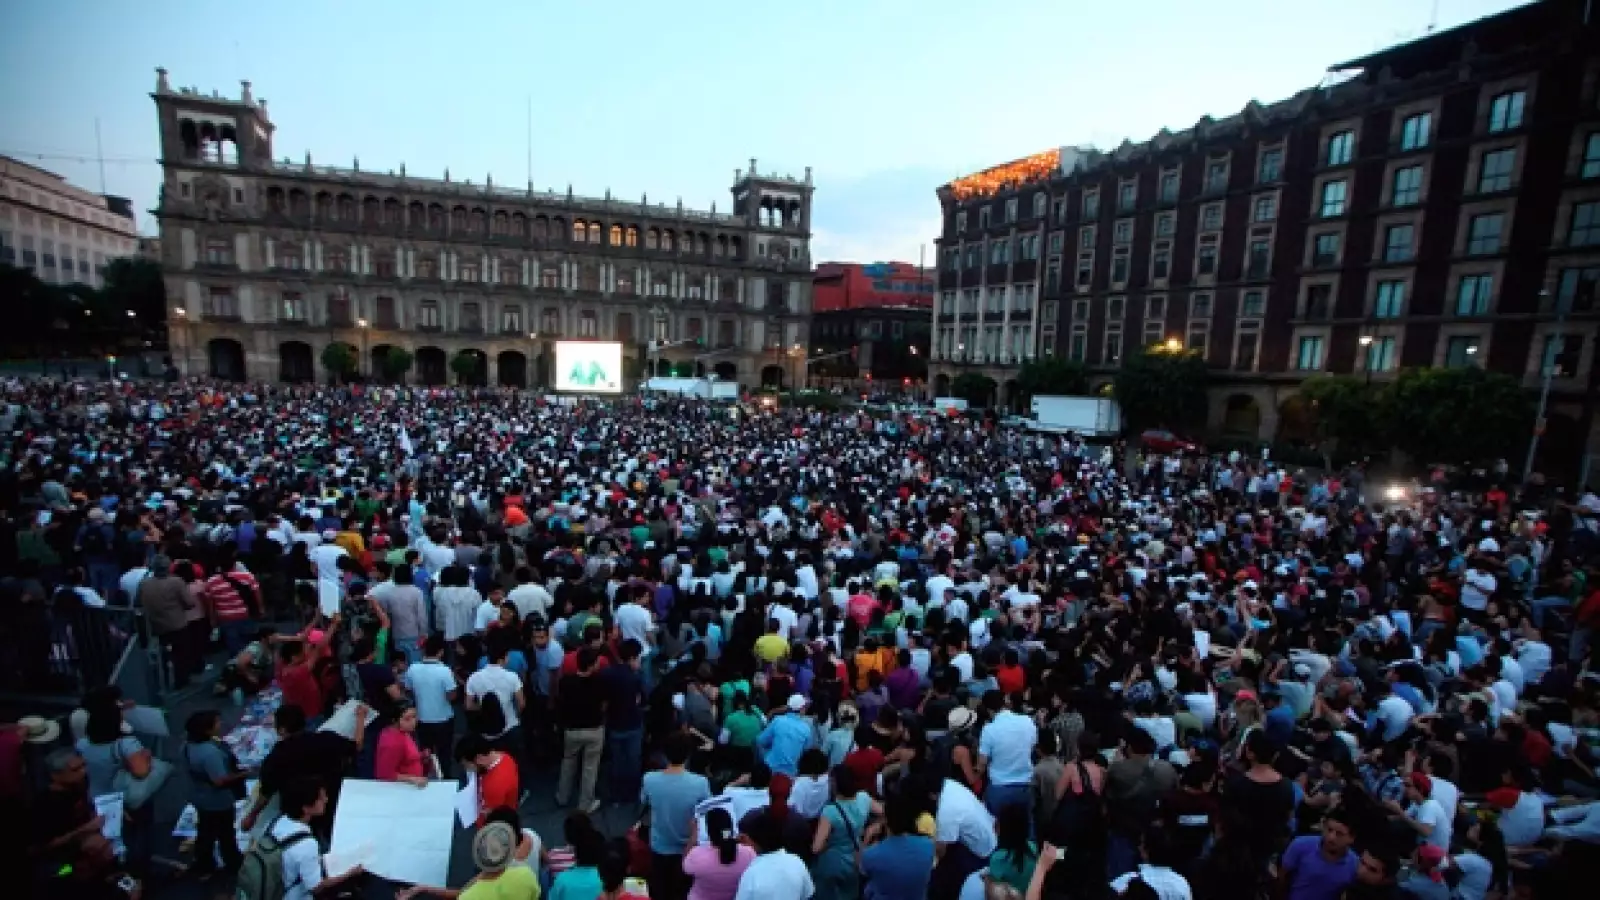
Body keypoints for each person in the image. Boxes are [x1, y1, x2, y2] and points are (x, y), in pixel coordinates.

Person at [640, 733, 711, 900]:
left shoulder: (649, 779)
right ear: (688, 754)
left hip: (659, 847)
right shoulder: (700, 783)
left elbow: (644, 800)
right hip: (687, 849)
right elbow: (706, 811)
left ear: (665, 753)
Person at [271, 777, 366, 900]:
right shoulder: (307, 844)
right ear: (306, 808)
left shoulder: (278, 822)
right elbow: (316, 886)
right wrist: (350, 873)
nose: (326, 800)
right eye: (321, 798)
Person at [182, 709, 248, 878]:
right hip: (218, 800)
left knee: (205, 830)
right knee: (226, 833)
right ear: (207, 730)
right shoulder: (209, 753)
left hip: (200, 796)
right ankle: (233, 863)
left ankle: (204, 863)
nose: (221, 724)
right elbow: (220, 780)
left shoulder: (187, 746)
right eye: (217, 723)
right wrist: (243, 774)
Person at [555, 646, 607, 814]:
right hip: (594, 729)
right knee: (590, 768)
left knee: (568, 762)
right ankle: (585, 803)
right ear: (591, 665)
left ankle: (562, 796)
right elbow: (605, 704)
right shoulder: (600, 682)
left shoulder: (566, 682)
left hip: (572, 729)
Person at [859, 791, 936, 900]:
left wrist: (867, 837)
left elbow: (860, 867)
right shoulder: (929, 846)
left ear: (885, 820)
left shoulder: (872, 854)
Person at [811, 765, 872, 900]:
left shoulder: (830, 811)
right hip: (855, 858)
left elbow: (816, 848)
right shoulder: (864, 798)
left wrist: (828, 843)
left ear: (834, 784)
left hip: (832, 863)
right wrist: (871, 830)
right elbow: (885, 812)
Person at [405, 634, 461, 777]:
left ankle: (426, 777)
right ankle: (446, 779)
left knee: (425, 753)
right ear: (441, 652)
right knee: (444, 754)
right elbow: (452, 696)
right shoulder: (445, 671)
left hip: (422, 719)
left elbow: (408, 691)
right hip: (443, 719)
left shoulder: (412, 669)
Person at [733, 810, 814, 900]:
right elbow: (808, 894)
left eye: (742, 838)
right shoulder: (797, 862)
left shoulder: (752, 875)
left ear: (749, 839)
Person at [1278, 810, 1358, 900]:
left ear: (1351, 838)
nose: (1331, 837)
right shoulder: (1300, 845)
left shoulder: (1355, 864)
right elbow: (1282, 879)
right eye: (1329, 830)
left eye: (1339, 834)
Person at [682, 807, 756, 900]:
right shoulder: (748, 853)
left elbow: (685, 866)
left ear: (708, 831)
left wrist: (693, 836)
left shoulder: (697, 856)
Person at [457, 734, 520, 828]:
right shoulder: (505, 757)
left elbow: (489, 814)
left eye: (467, 765)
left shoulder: (494, 785)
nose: (467, 769)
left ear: (479, 759)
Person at [376, 703, 432, 786]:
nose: (413, 722)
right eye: (407, 719)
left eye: (414, 716)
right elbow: (384, 774)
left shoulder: (404, 731)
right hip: (402, 789)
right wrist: (412, 779)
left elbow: (405, 757)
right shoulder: (392, 743)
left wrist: (421, 755)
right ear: (395, 720)